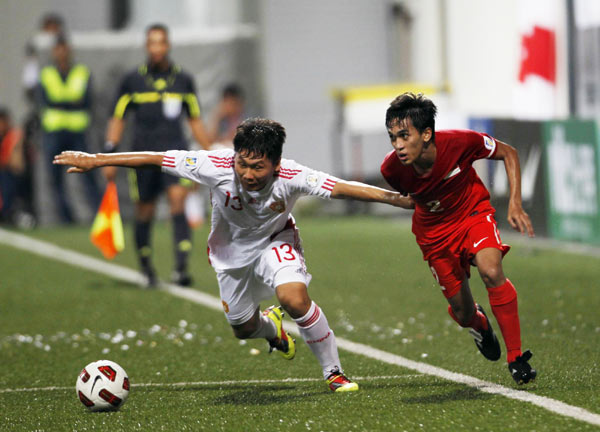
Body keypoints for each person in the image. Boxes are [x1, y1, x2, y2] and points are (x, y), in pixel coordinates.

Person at [54, 117, 413, 392]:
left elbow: (344, 188)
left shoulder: (293, 175)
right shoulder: (215, 164)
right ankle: (273, 331)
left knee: (293, 298)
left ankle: (333, 373)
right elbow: (156, 158)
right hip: (229, 255)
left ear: (275, 163)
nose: (248, 173)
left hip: (276, 242)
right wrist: (97, 160)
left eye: (258, 167)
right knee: (243, 328)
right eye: (243, 164)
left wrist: (398, 199)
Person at [380, 92, 537, 385]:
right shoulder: (391, 170)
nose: (398, 145)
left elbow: (509, 153)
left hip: (472, 214)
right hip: (434, 235)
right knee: (463, 313)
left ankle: (516, 357)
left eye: (404, 135)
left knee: (491, 271)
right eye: (392, 138)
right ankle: (478, 323)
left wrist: (514, 202)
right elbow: (414, 198)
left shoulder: (461, 142)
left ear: (426, 134)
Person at [103, 23, 211, 288]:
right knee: (145, 211)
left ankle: (181, 268)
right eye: (152, 43)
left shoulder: (183, 80)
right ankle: (146, 268)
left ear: (168, 45)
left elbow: (195, 119)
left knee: (177, 202)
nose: (157, 48)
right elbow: (118, 118)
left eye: (161, 42)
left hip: (176, 154)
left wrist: (209, 154)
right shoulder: (132, 81)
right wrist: (108, 153)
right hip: (142, 156)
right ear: (146, 47)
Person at [38, 34, 101, 224]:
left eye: (64, 48)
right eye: (58, 48)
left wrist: (61, 102)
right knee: (56, 179)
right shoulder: (47, 73)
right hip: (54, 130)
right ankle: (66, 218)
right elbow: (43, 101)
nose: (62, 53)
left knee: (88, 175)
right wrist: (70, 102)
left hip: (77, 131)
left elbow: (86, 101)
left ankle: (99, 214)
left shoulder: (81, 72)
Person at [0, 108, 24, 223]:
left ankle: (6, 212)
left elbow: (17, 164)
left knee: (6, 178)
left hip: (12, 174)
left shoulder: (14, 135)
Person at [208, 83, 246, 148]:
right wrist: (216, 117)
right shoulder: (221, 118)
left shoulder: (246, 118)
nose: (230, 107)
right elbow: (209, 140)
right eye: (227, 102)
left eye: (233, 103)